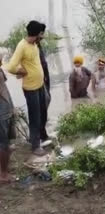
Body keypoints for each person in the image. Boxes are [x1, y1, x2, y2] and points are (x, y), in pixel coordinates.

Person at [3, 20, 47, 156]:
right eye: (41, 34)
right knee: (35, 117)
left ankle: (41, 137)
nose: (42, 36)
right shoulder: (22, 46)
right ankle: (35, 146)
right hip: (31, 88)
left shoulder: (34, 44)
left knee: (42, 113)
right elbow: (10, 67)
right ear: (35, 34)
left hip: (40, 85)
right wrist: (20, 72)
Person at [0, 53, 16, 183]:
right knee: (3, 144)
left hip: (7, 108)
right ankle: (3, 174)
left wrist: (12, 106)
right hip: (1, 113)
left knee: (7, 143)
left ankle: (4, 168)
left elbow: (4, 88)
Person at [37, 23, 50, 142]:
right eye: (41, 34)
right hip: (39, 80)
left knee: (46, 101)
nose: (43, 36)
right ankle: (41, 134)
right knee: (42, 105)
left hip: (45, 77)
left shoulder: (37, 44)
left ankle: (42, 131)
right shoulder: (31, 45)